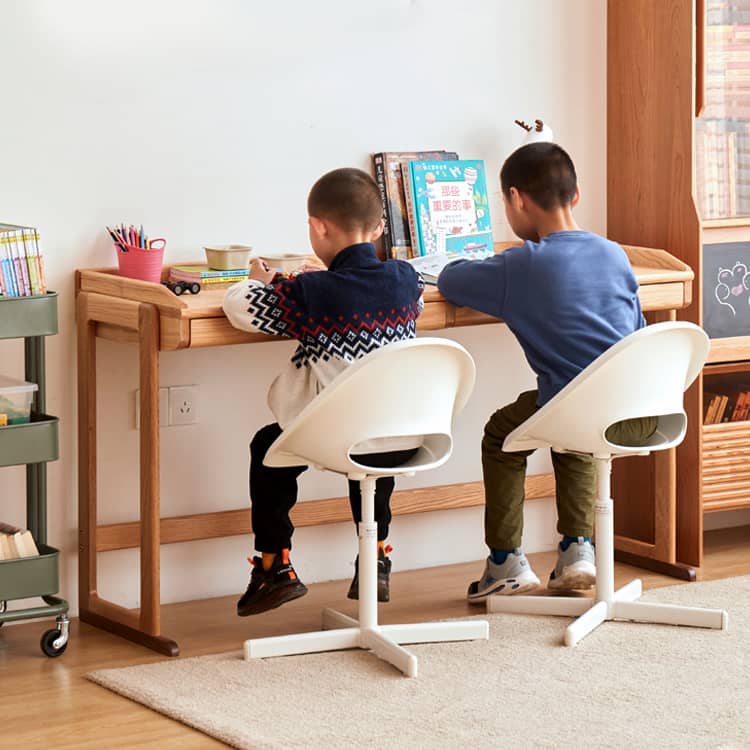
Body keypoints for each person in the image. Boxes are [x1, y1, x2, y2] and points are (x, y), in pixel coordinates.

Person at [437, 142, 657, 602]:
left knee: (504, 434)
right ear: (576, 196)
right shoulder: (615, 254)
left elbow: (450, 281)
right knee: (573, 408)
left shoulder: (522, 265)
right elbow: (637, 334)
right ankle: (579, 548)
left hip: (579, 410)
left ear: (517, 200)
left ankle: (504, 563)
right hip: (642, 408)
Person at [223, 167, 424, 616]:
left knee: (266, 447)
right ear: (377, 229)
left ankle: (275, 566)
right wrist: (306, 284)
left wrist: (262, 279)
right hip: (403, 438)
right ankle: (376, 557)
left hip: (343, 438)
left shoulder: (312, 293)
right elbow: (402, 302)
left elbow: (239, 309)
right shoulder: (406, 280)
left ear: (318, 226)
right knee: (373, 438)